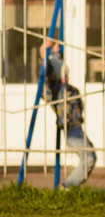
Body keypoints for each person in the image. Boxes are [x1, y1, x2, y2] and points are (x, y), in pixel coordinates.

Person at [40, 40, 96, 189]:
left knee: (90, 157)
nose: (65, 76)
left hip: (78, 129)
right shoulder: (57, 92)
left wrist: (56, 52)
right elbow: (45, 82)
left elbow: (59, 67)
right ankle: (67, 187)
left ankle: (69, 186)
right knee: (89, 158)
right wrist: (45, 55)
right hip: (71, 130)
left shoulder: (72, 90)